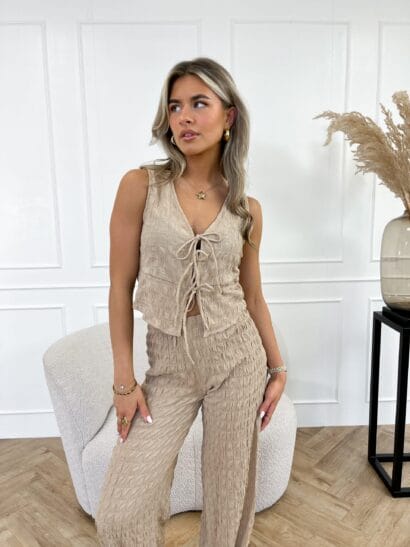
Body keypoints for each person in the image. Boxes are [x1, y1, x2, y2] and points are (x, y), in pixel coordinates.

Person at [94, 56, 287, 546]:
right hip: (169, 367)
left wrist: (277, 367)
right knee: (119, 511)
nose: (183, 117)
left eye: (199, 103)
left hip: (238, 360)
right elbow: (119, 285)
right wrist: (123, 381)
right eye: (175, 106)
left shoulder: (246, 208)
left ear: (229, 116)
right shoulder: (141, 186)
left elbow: (253, 295)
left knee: (228, 500)